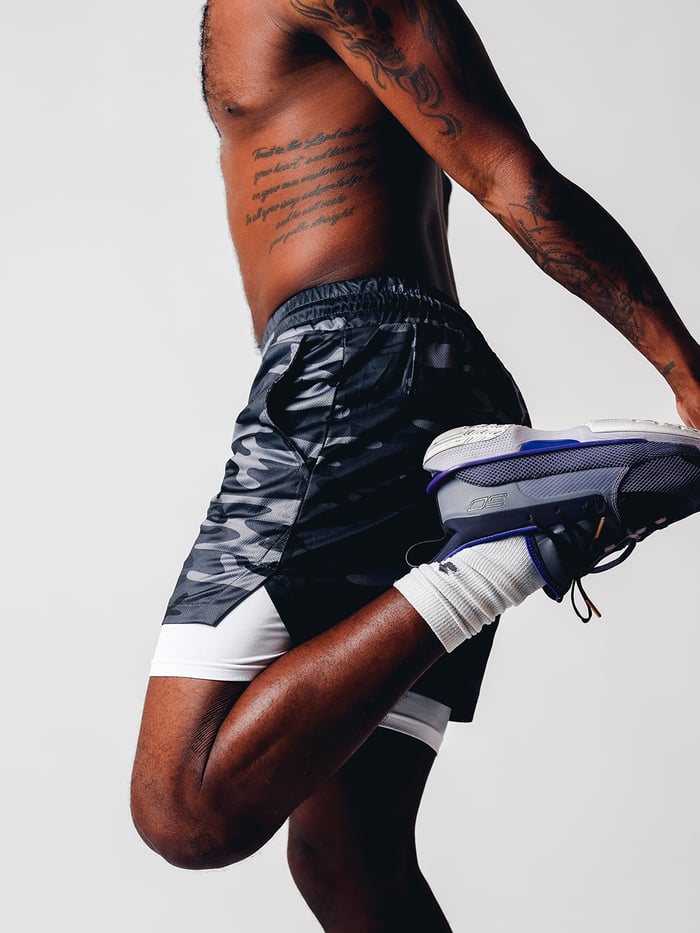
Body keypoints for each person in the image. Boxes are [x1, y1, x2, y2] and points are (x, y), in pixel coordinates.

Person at [131, 2, 700, 929]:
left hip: (353, 373)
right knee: (349, 861)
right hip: (392, 383)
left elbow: (512, 177)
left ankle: (508, 548)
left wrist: (686, 371)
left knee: (184, 807)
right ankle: (508, 532)